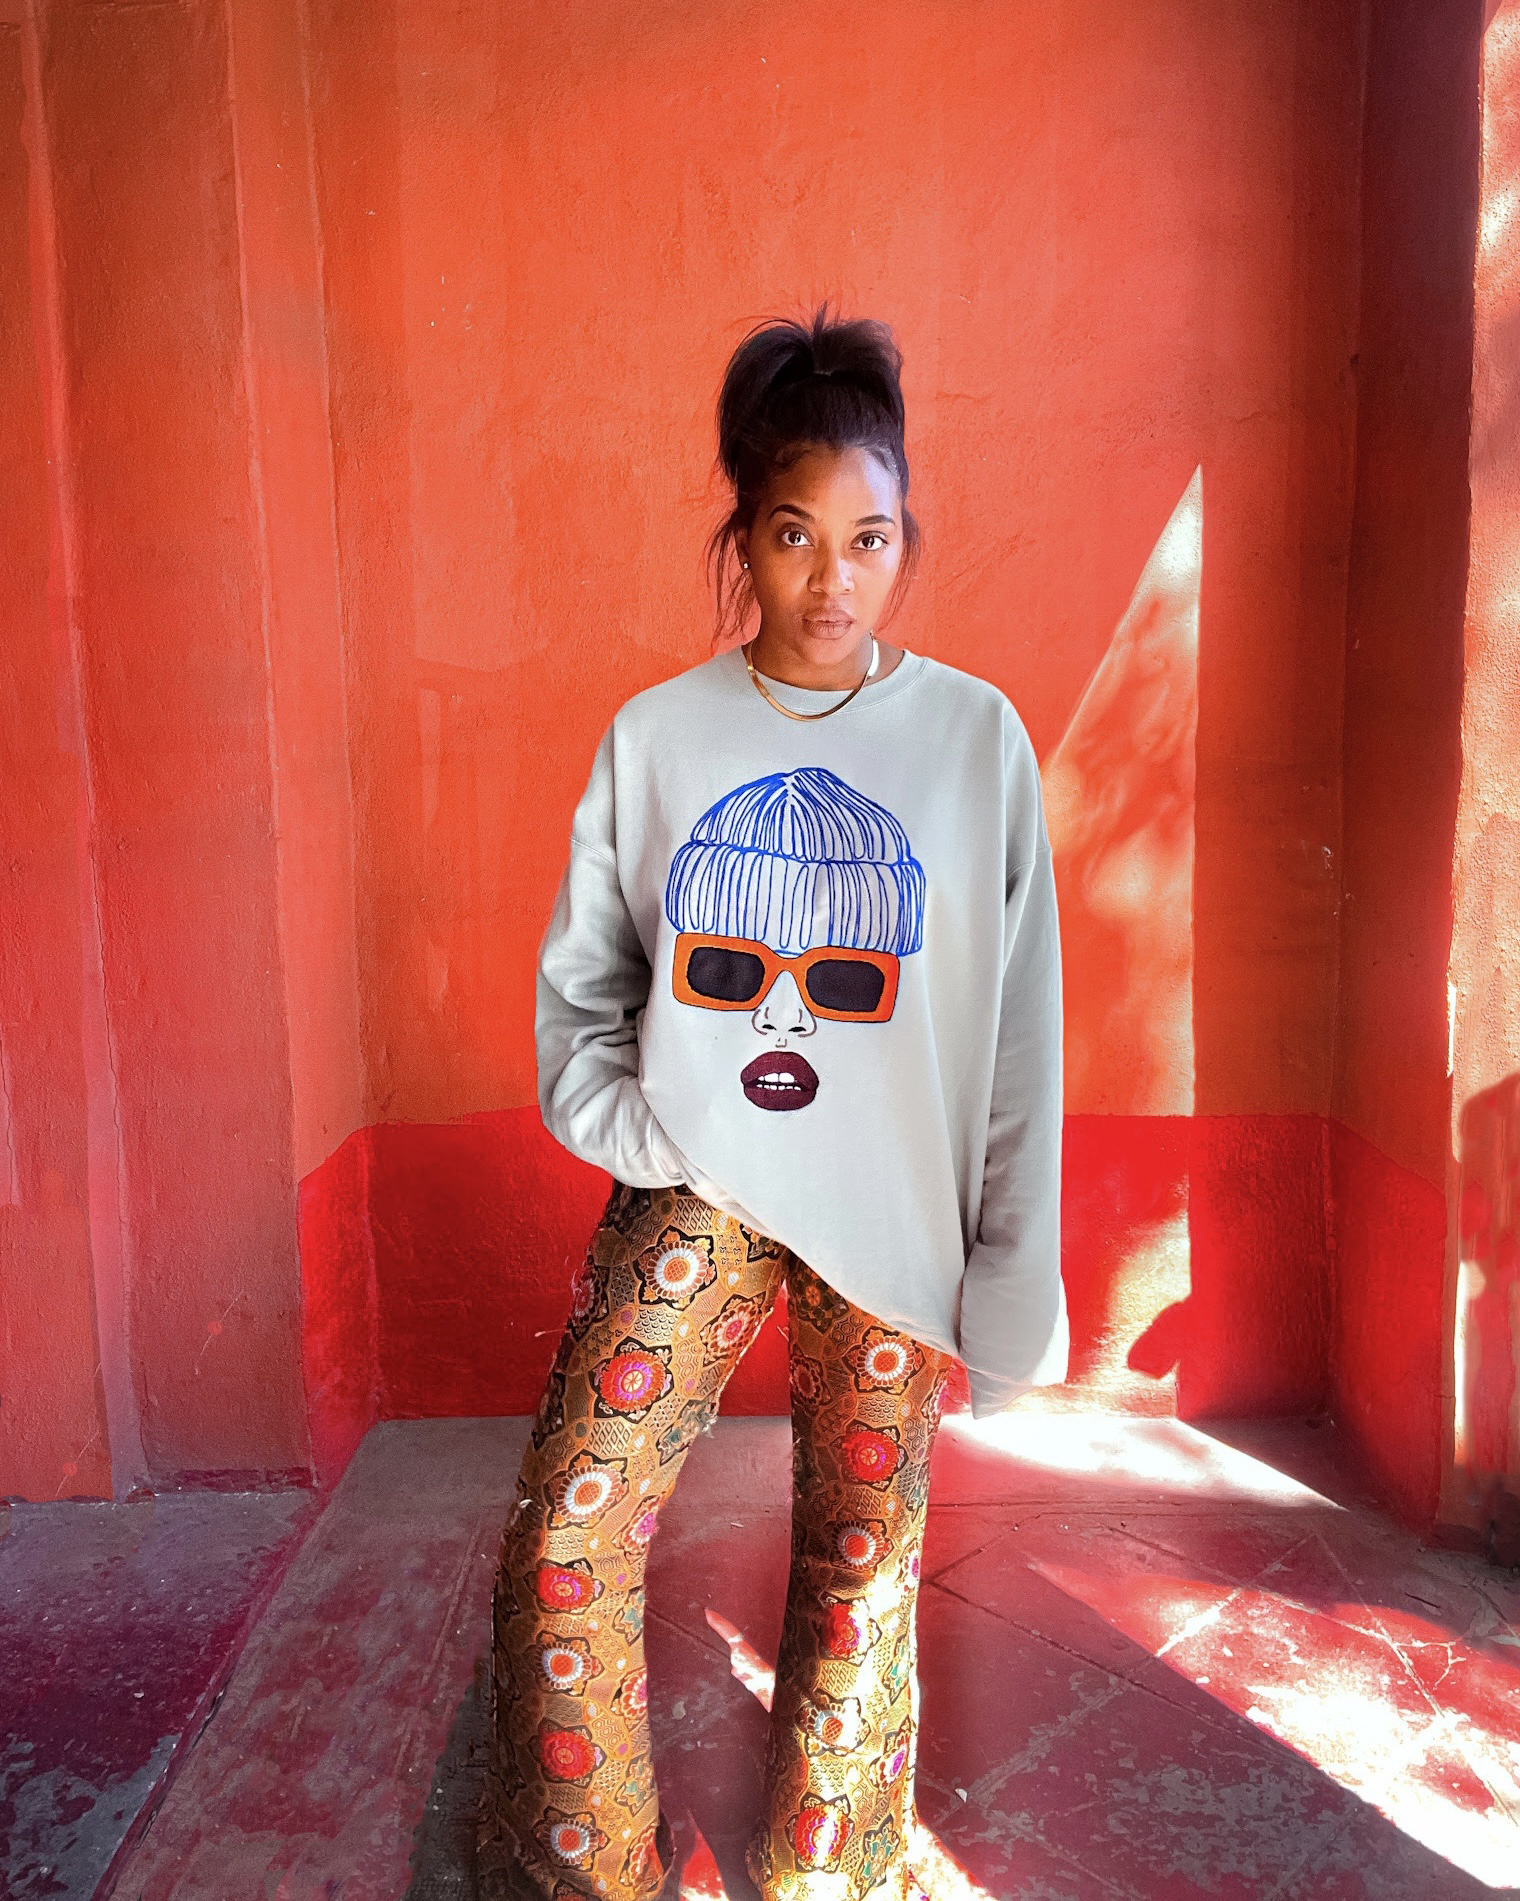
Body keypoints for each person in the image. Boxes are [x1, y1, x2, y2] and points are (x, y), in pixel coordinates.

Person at [477, 307, 1067, 1901]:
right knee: (565, 1539)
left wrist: (1009, 1273)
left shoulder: (975, 741)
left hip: (896, 1214)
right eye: (797, 535)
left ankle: (827, 1878)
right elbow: (581, 992)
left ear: (905, 540)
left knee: (860, 1571)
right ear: (743, 536)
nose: (834, 581)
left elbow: (1018, 1033)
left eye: (871, 539)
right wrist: (651, 1132)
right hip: (700, 1193)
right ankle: (591, 1877)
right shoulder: (660, 737)